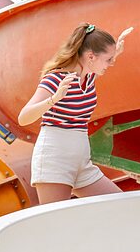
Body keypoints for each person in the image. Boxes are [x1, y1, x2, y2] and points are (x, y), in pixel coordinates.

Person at [18, 23, 133, 205]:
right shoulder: (55, 79)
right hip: (55, 160)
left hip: (81, 162)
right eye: (108, 59)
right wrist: (54, 99)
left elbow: (100, 64)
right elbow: (23, 118)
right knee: (55, 224)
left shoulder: (88, 76)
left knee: (120, 206)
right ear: (90, 57)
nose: (111, 64)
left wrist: (116, 51)